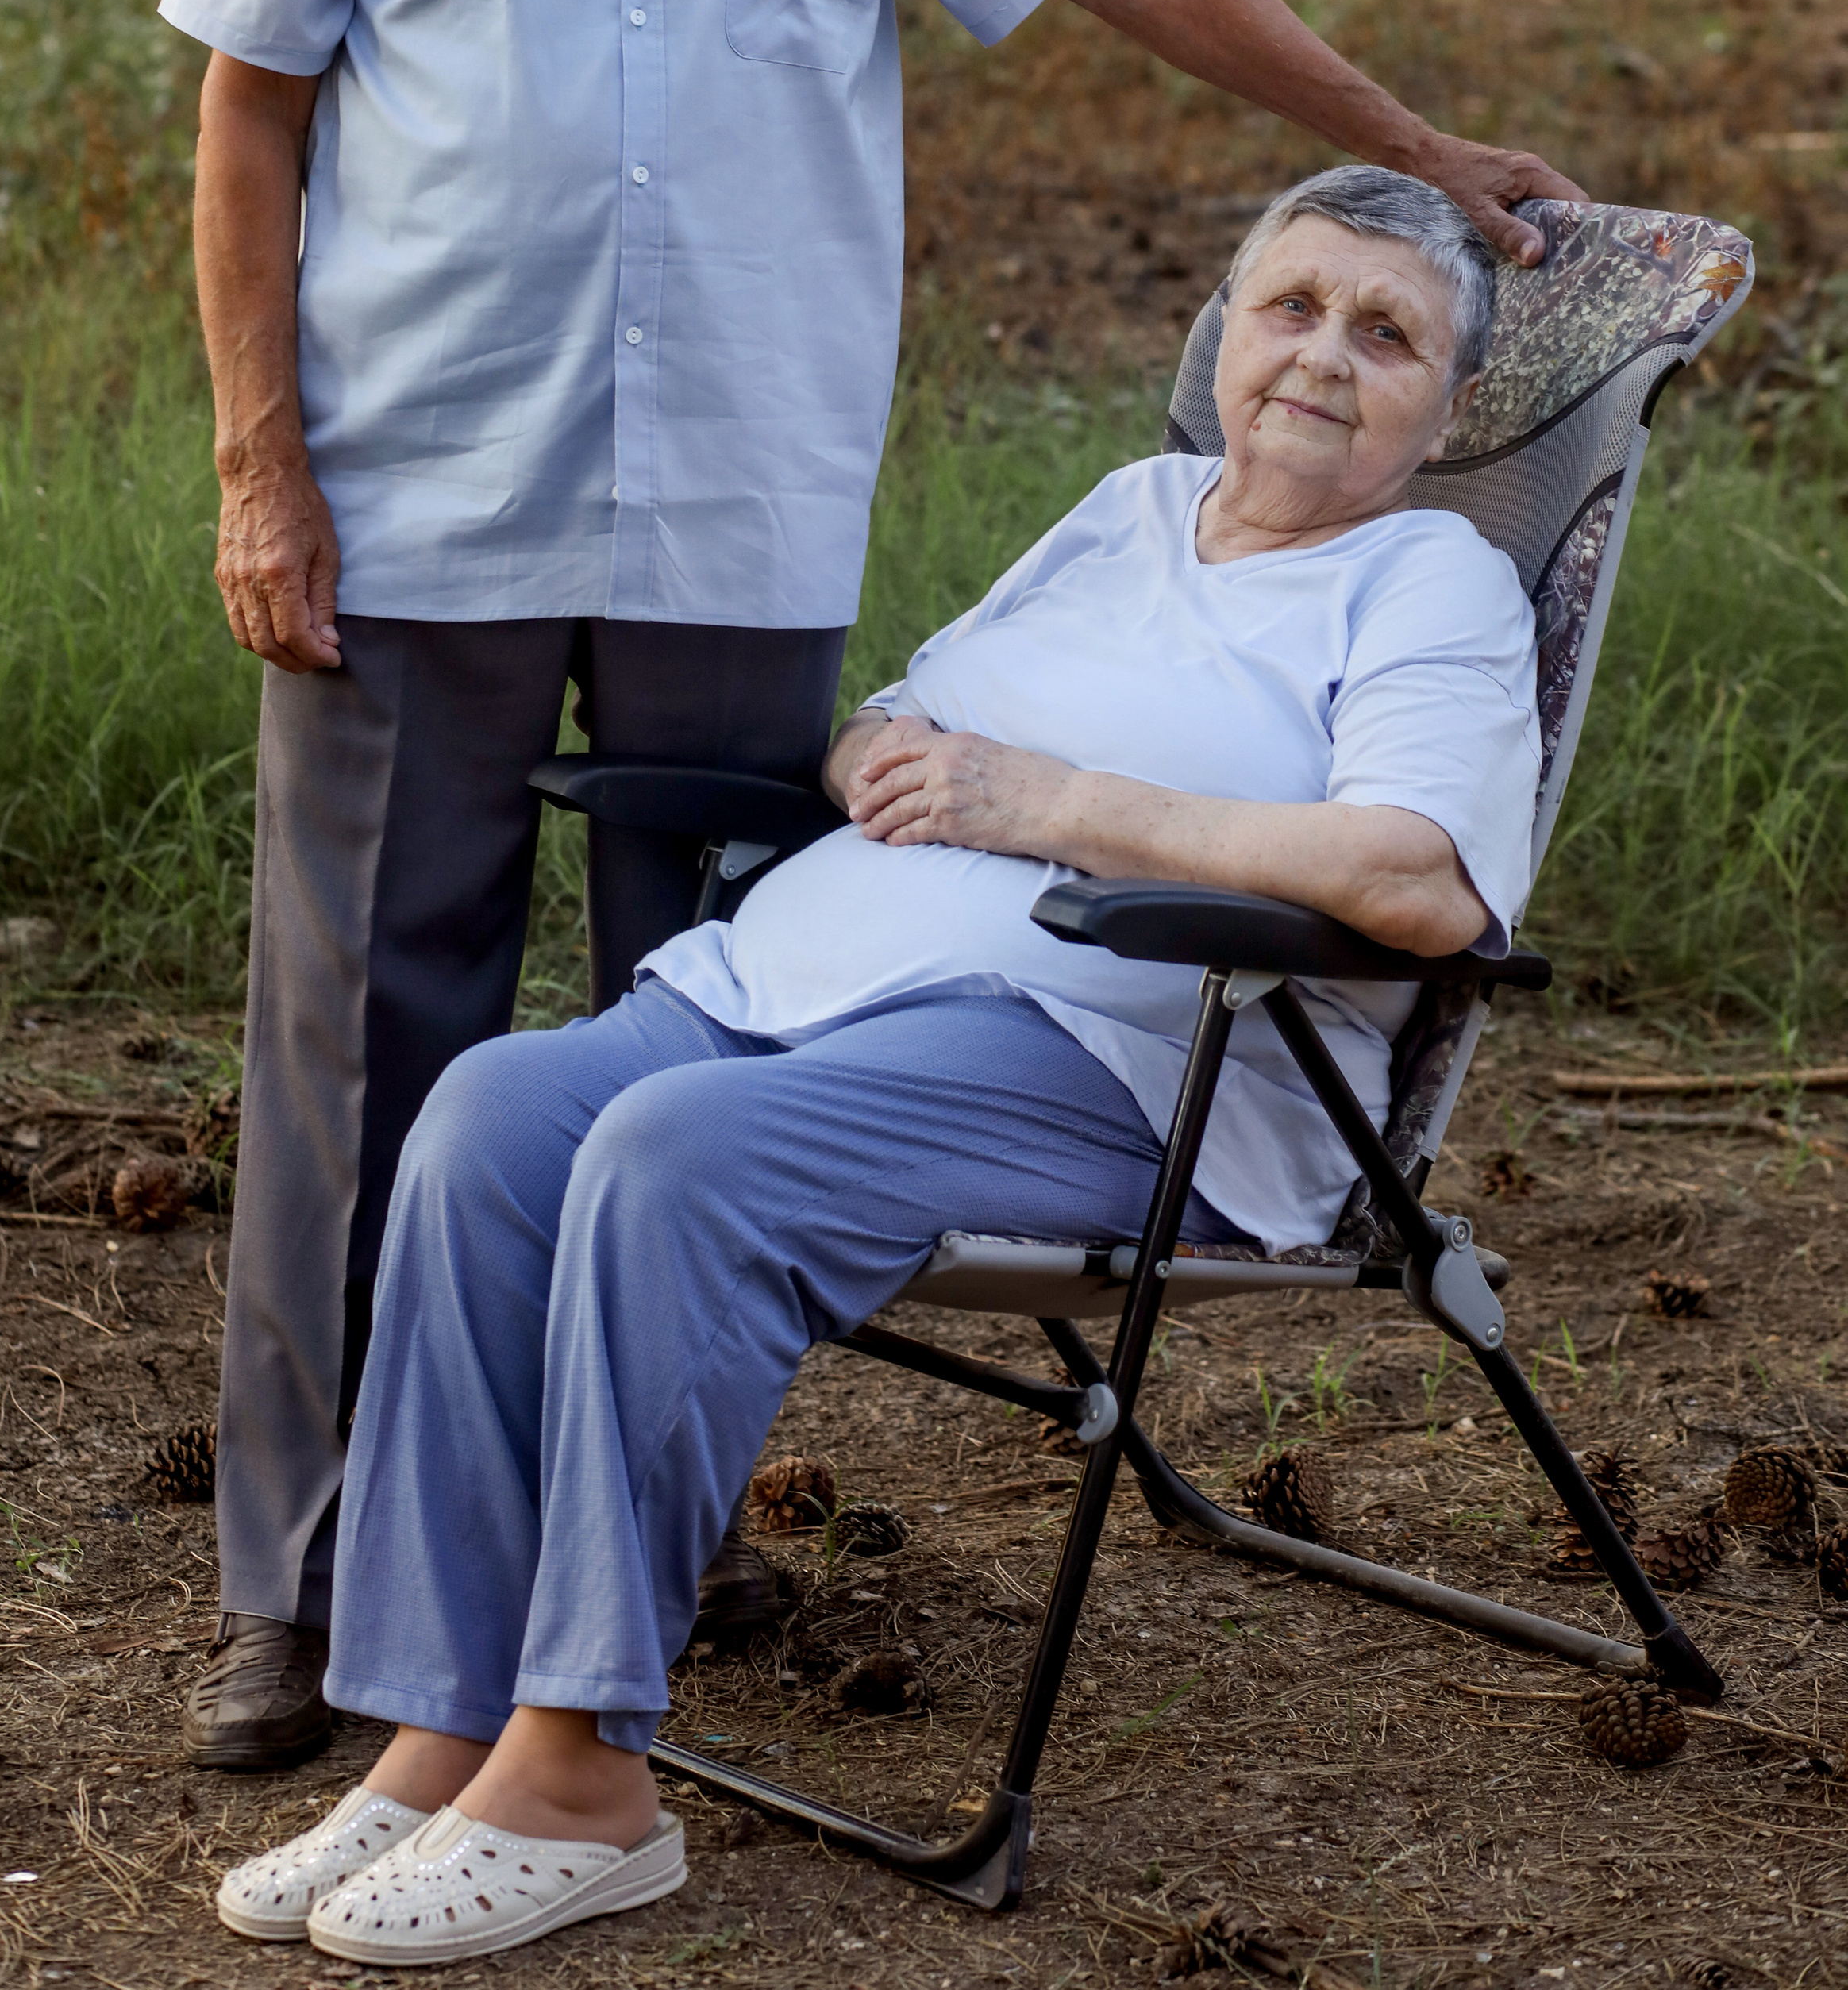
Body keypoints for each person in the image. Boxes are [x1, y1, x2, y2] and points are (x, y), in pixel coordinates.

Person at [164, 0, 1580, 1767]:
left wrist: (1395, 141)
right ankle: (315, 1593)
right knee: (369, 1053)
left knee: (730, 1033)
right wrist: (261, 466)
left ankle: (615, 1595)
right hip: (416, 505)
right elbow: (250, 112)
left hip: (736, 509)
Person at [210, 168, 1542, 1965]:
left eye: (1384, 335)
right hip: (806, 982)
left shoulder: (1426, 582)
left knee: (677, 1157)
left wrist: (1047, 808)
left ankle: (581, 1775)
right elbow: (911, 711)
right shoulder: (1131, 507)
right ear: (1225, 327)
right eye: (1290, 304)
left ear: (1444, 409)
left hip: (1116, 1058)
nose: (1320, 354)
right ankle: (442, 1726)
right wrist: (879, 759)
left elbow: (1416, 877)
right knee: (493, 1118)